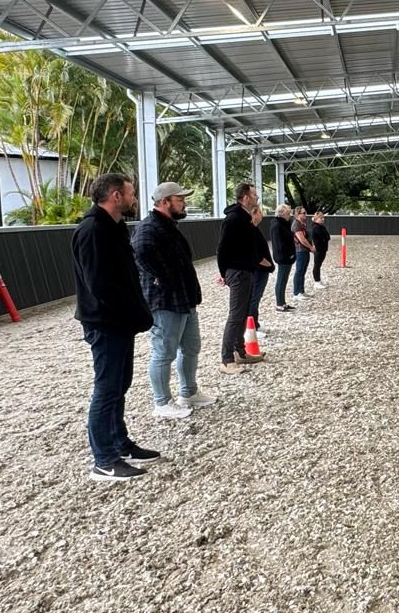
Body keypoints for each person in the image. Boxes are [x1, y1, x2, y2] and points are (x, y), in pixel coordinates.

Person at [73, 173, 160, 482]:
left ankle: (119, 442)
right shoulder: (93, 230)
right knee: (106, 388)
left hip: (120, 322)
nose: (134, 198)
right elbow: (99, 285)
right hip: (106, 323)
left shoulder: (113, 227)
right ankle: (104, 459)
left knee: (119, 385)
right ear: (115, 196)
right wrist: (128, 311)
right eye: (131, 193)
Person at [132, 181, 212, 420]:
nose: (184, 202)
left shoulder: (166, 225)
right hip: (166, 301)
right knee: (164, 352)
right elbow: (140, 251)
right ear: (165, 202)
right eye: (179, 199)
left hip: (184, 299)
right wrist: (162, 278)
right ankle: (162, 401)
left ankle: (188, 392)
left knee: (191, 347)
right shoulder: (149, 227)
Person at [215, 182, 273, 373]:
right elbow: (222, 249)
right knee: (236, 315)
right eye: (255, 195)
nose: (257, 198)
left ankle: (240, 351)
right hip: (238, 271)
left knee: (243, 313)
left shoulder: (245, 219)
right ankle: (226, 359)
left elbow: (251, 246)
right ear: (245, 197)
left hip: (246, 270)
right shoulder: (234, 219)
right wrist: (224, 273)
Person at [249, 203, 273, 337]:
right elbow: (255, 254)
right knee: (254, 297)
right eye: (260, 212)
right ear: (254, 214)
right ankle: (251, 328)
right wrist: (268, 264)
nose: (262, 215)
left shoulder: (255, 228)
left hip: (261, 269)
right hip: (258, 269)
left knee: (256, 298)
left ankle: (255, 323)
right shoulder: (251, 229)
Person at [271, 204, 297, 312]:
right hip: (283, 257)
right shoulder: (277, 225)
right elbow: (279, 244)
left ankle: (282, 302)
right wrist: (289, 254)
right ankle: (279, 303)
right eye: (287, 213)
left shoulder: (284, 223)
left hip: (287, 256)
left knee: (284, 279)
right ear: (281, 214)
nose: (289, 215)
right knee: (281, 280)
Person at [291, 206, 315, 302]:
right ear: (297, 214)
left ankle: (301, 290)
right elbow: (302, 239)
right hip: (300, 251)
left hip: (305, 251)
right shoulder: (296, 224)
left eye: (305, 213)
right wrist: (311, 247)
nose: (305, 215)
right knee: (299, 271)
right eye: (303, 213)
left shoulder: (303, 223)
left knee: (303, 271)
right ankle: (296, 293)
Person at [310, 211, 332, 288]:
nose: (322, 219)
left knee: (319, 265)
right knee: (317, 265)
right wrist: (325, 237)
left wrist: (325, 237)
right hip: (318, 249)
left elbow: (328, 237)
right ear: (316, 218)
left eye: (323, 218)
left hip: (323, 248)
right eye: (320, 218)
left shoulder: (321, 226)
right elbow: (324, 236)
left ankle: (318, 280)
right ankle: (316, 282)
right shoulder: (315, 227)